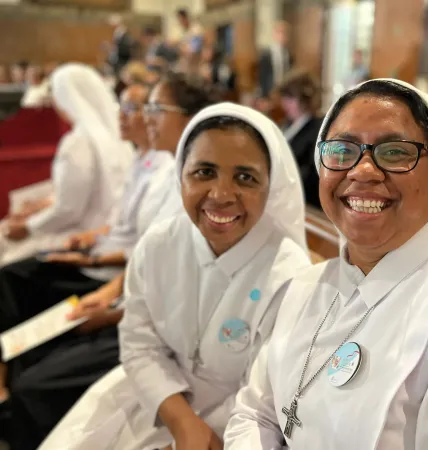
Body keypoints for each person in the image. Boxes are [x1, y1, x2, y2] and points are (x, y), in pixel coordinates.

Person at [224, 79, 428, 449]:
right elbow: (254, 413)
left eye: (394, 152)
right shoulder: (307, 284)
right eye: (342, 150)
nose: (363, 171)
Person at [38, 102, 311, 450]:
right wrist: (181, 420)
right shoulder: (158, 245)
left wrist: (198, 432)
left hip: (237, 427)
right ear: (180, 173)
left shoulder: (289, 278)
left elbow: (264, 397)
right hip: (157, 398)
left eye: (245, 177)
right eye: (204, 172)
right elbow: (139, 343)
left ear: (270, 187)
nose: (221, 195)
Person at [2, 74, 217, 450]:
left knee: (37, 380)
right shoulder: (163, 168)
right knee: (33, 354)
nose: (143, 117)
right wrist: (109, 286)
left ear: (187, 117)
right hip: (128, 298)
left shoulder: (193, 183)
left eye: (153, 108)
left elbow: (172, 279)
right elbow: (144, 249)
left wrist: (113, 301)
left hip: (152, 320)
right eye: (138, 107)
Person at [0, 63, 133, 266]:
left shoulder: (78, 142)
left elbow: (69, 209)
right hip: (106, 227)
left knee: (6, 246)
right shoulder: (120, 138)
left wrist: (28, 227)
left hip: (85, 234)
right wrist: (40, 205)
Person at [278, 70, 323, 208]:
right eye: (285, 97)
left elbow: (312, 174)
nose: (285, 103)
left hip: (304, 202)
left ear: (305, 99)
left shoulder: (318, 129)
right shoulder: (288, 124)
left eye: (290, 98)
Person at [258, 21, 293, 99]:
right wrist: (264, 95)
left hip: (285, 92)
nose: (282, 36)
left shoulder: (289, 54)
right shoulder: (267, 54)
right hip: (271, 91)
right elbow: (262, 76)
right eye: (280, 33)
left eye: (285, 33)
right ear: (275, 35)